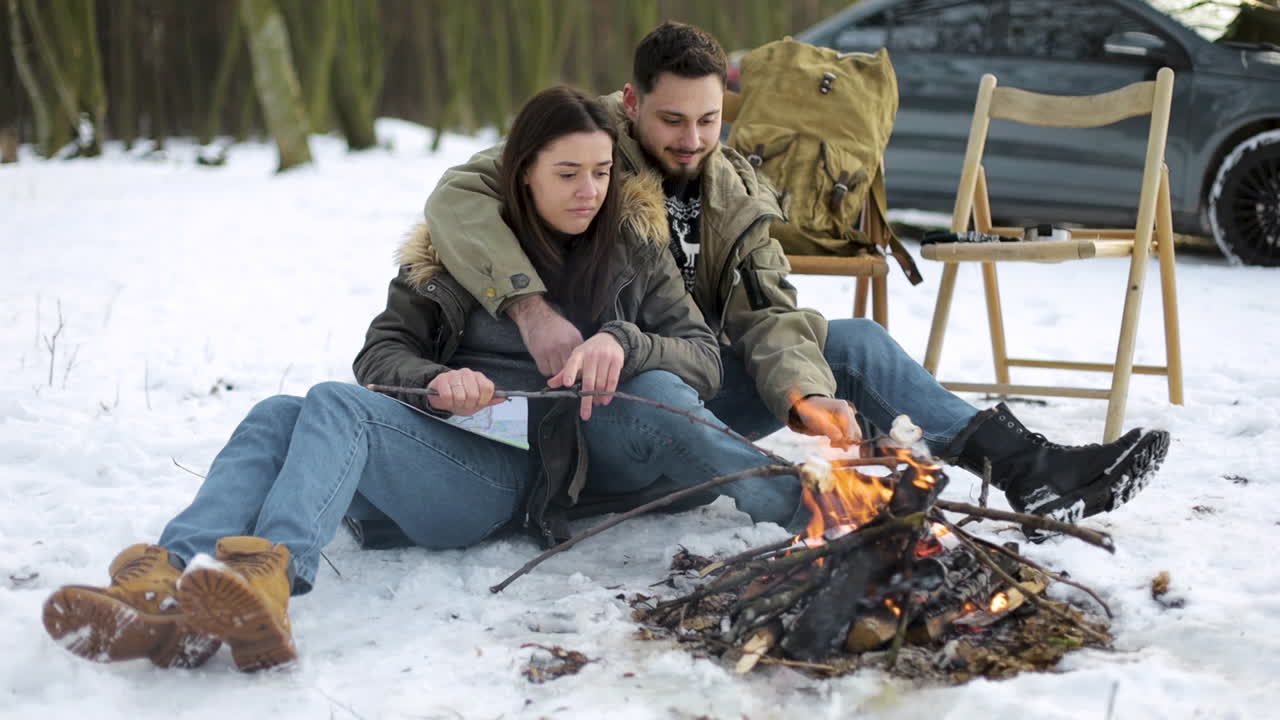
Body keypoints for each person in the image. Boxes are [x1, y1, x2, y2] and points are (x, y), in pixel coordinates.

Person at [40, 86, 730, 673]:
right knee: (276, 414)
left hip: (511, 476)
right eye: (568, 173)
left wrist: (624, 339)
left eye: (603, 173)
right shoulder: (454, 253)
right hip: (431, 444)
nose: (589, 191)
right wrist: (439, 380)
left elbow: (703, 355)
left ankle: (271, 578)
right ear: (524, 172)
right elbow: (381, 354)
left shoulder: (633, 251)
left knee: (335, 408)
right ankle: (165, 586)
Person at [421, 21, 1171, 527]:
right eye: (673, 120)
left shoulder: (735, 191)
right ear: (631, 102)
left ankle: (1028, 469)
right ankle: (811, 503)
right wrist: (531, 307)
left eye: (709, 121)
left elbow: (770, 313)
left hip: (697, 379)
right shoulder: (582, 155)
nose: (692, 140)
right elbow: (456, 195)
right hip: (608, 402)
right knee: (666, 382)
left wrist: (805, 397)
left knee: (854, 342)